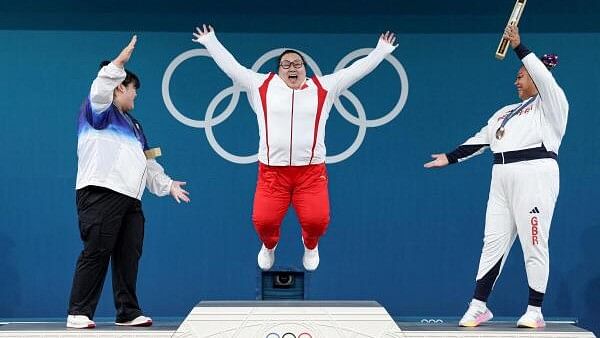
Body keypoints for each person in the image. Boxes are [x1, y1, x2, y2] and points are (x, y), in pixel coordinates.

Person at [192, 24, 397, 271]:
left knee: (317, 222)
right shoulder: (261, 85)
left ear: (305, 69)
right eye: (286, 64)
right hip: (272, 172)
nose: (292, 68)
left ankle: (310, 246)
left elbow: (355, 71)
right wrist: (211, 41)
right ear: (278, 70)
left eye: (297, 64)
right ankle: (269, 246)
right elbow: (233, 67)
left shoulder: (323, 87)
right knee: (263, 222)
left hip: (310, 173)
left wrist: (381, 51)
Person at [424, 24, 568, 328]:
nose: (516, 80)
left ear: (537, 75)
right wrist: (450, 157)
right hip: (501, 176)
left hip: (535, 173)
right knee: (492, 242)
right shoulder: (505, 111)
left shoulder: (552, 104)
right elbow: (482, 139)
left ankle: (535, 311)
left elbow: (543, 76)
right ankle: (479, 305)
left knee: (534, 241)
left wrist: (519, 47)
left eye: (521, 75)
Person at [67, 35, 190, 329]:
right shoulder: (97, 110)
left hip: (130, 200)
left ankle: (127, 312)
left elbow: (148, 162)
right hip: (100, 193)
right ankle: (78, 312)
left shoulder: (135, 125)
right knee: (97, 251)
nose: (135, 96)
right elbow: (100, 90)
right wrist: (117, 64)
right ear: (119, 86)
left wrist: (167, 184)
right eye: (133, 90)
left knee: (128, 255)